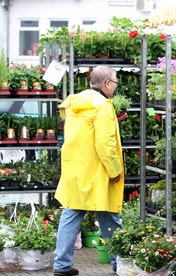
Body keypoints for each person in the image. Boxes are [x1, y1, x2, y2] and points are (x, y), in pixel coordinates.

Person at [54, 66, 124, 275]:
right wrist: (114, 170)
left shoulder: (75, 103)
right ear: (107, 84)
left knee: (71, 213)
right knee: (110, 217)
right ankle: (119, 264)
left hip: (75, 168)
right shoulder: (102, 106)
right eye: (115, 82)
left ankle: (62, 265)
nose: (115, 86)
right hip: (98, 171)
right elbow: (105, 144)